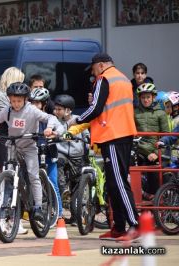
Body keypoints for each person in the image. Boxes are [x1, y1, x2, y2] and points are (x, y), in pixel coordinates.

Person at [0, 82, 60, 231]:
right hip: (13, 145)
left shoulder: (32, 110)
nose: (16, 104)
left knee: (33, 176)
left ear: (26, 99)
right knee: (8, 174)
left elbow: (51, 118)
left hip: (29, 147)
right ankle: (7, 207)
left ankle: (38, 207)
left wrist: (48, 128)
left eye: (19, 101)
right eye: (13, 101)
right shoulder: (7, 111)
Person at [74, 53, 139, 241]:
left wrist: (76, 120)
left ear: (101, 65)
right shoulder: (124, 79)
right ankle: (119, 227)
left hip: (113, 135)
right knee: (113, 183)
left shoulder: (104, 79)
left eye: (93, 69)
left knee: (118, 183)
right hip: (123, 133)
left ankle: (135, 225)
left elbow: (96, 109)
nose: (93, 74)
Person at [53, 94, 89, 225]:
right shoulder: (55, 121)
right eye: (55, 109)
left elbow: (86, 135)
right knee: (59, 166)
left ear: (68, 110)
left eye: (59, 109)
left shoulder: (78, 119)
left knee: (77, 184)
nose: (56, 111)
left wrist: (87, 144)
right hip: (61, 152)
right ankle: (63, 191)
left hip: (76, 155)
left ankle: (75, 216)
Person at [28, 88, 64, 222]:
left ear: (44, 104)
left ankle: (59, 213)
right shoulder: (29, 117)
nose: (34, 106)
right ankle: (37, 210)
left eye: (38, 103)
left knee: (52, 181)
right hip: (33, 152)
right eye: (32, 103)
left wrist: (56, 133)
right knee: (33, 181)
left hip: (49, 152)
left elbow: (60, 128)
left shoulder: (50, 117)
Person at [134, 83, 169, 200]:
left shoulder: (161, 113)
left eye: (148, 97)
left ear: (153, 97)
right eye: (143, 97)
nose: (145, 100)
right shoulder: (135, 112)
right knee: (128, 170)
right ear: (139, 98)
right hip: (138, 148)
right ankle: (137, 201)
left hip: (155, 150)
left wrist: (155, 152)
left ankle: (155, 204)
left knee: (154, 177)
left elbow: (166, 137)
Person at [0, 67, 25, 169]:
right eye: (20, 81)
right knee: (8, 173)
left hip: (21, 138)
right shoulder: (0, 97)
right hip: (7, 138)